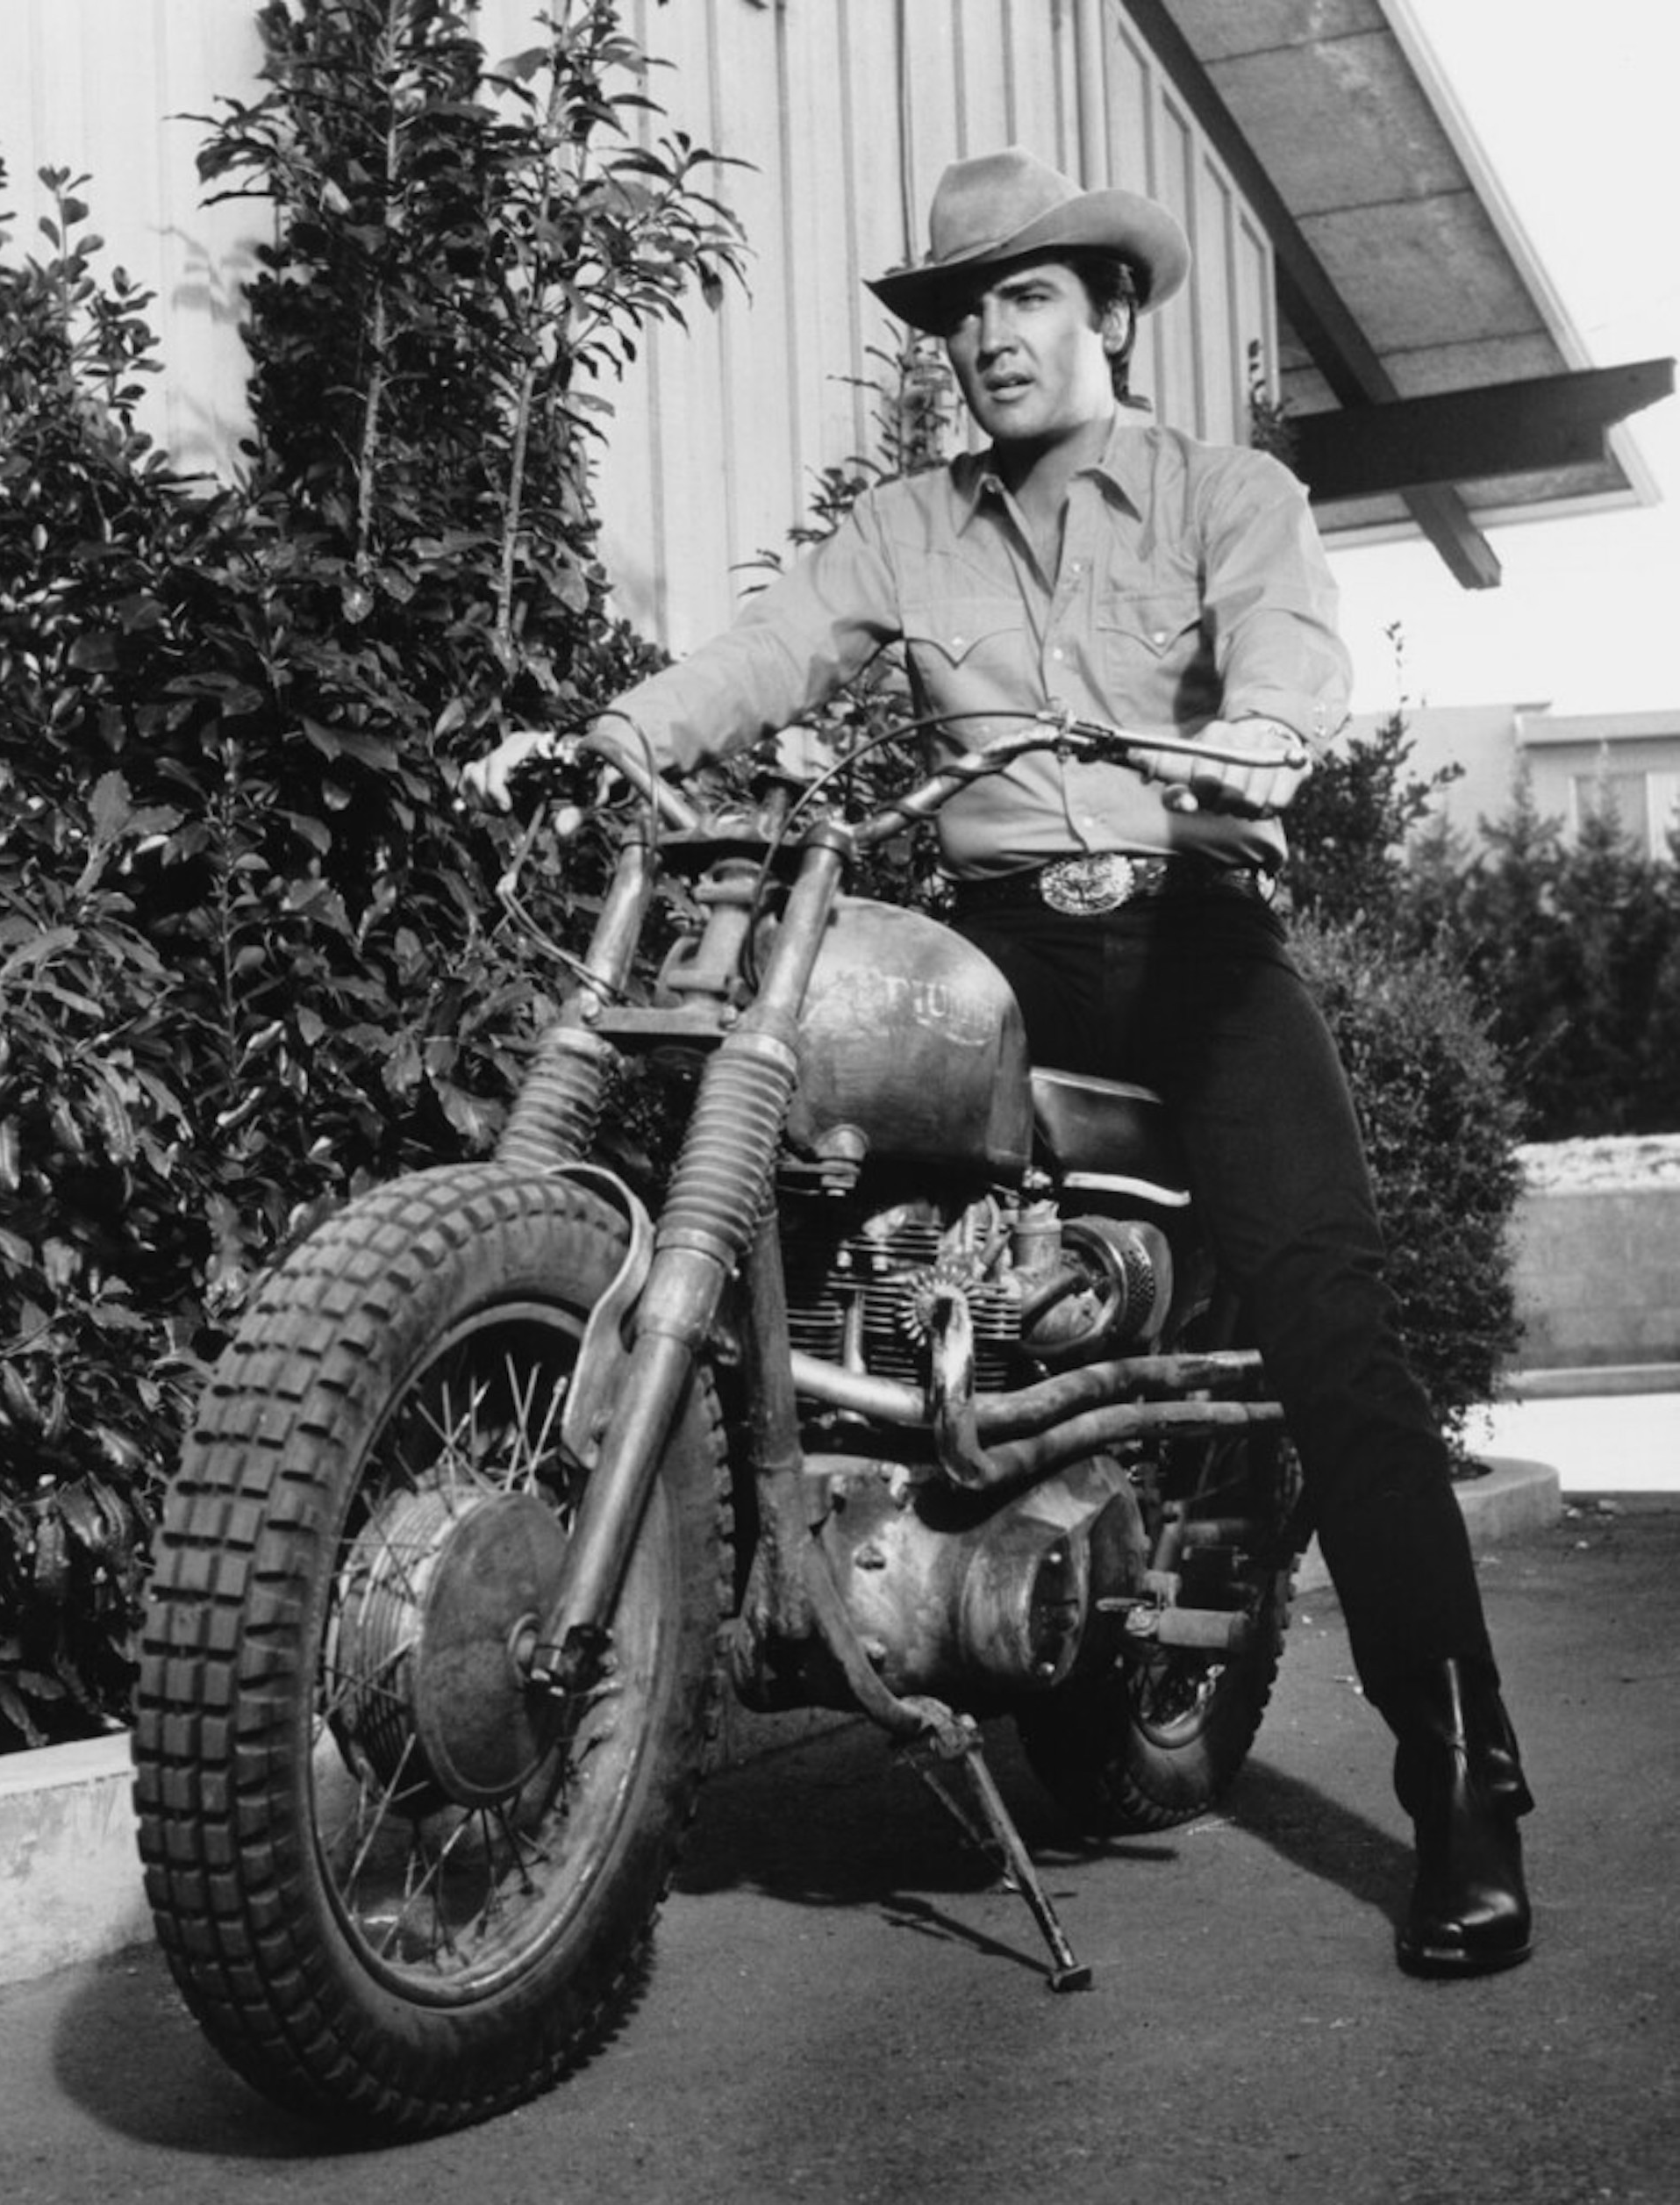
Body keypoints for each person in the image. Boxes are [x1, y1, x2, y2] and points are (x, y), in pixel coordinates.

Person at [468, 147, 1533, 1978]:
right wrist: (603, 735)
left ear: (1110, 313)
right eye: (962, 309)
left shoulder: (1224, 494)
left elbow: (1290, 643)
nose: (986, 336)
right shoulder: (904, 528)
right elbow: (772, 649)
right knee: (809, 1168)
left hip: (1194, 931)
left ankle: (1459, 1791)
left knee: (1329, 1323)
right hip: (1002, 944)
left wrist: (1263, 736)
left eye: (1024, 296)